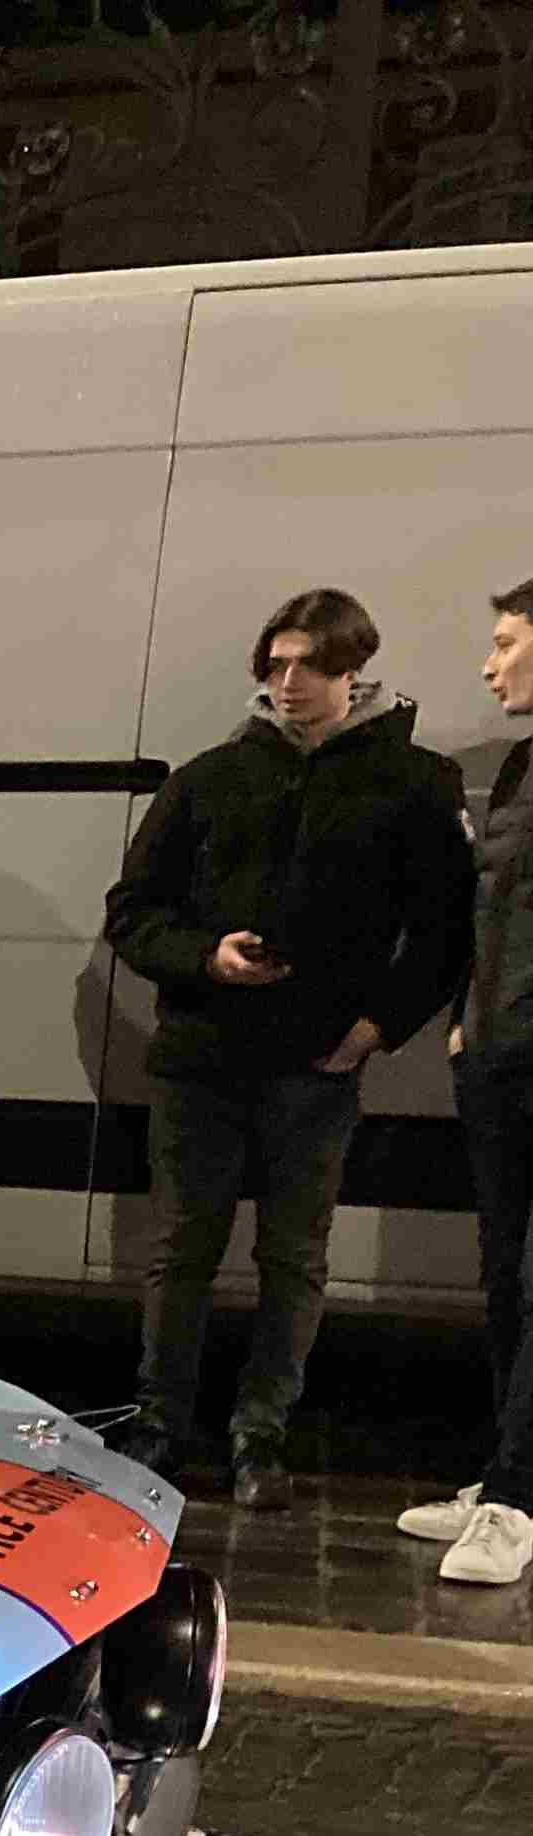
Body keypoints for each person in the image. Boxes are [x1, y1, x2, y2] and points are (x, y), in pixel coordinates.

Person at [103, 588, 478, 1503]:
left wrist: (374, 1031)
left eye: (309, 663)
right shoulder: (210, 777)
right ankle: (160, 1424)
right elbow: (132, 912)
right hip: (202, 1056)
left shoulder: (411, 782)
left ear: (353, 669)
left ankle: (260, 1434)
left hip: (317, 1065)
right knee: (180, 1249)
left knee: (294, 1259)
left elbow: (443, 934)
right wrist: (208, 956)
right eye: (275, 664)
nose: (288, 681)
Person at [403, 579, 533, 1585]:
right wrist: (463, 1024)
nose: (489, 667)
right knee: (501, 1278)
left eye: (505, 643)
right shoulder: (522, 764)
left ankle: (517, 1503)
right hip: (498, 1056)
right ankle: (505, 1479)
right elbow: (494, 912)